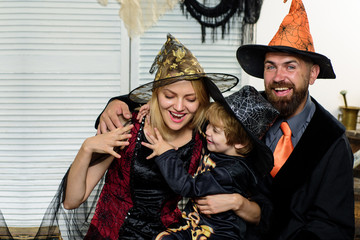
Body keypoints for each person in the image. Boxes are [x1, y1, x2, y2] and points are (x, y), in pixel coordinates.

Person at [95, 1, 355, 239]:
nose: (278, 77)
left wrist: (240, 204)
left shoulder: (330, 141)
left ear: (312, 74)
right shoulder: (247, 110)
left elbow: (332, 226)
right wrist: (123, 102)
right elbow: (190, 105)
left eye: (290, 66)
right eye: (270, 66)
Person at [37, 33, 240, 240]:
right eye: (169, 96)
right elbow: (72, 200)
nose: (179, 107)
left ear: (201, 102)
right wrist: (86, 147)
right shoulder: (128, 129)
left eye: (190, 99)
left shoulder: (205, 136)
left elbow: (245, 147)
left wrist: (238, 202)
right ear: (156, 95)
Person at [141, 85, 278, 240]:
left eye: (216, 130)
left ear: (240, 142)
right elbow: (194, 119)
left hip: (218, 233)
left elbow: (186, 186)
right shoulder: (219, 146)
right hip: (194, 224)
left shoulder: (231, 172)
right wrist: (156, 106)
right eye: (209, 125)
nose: (207, 131)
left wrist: (165, 153)